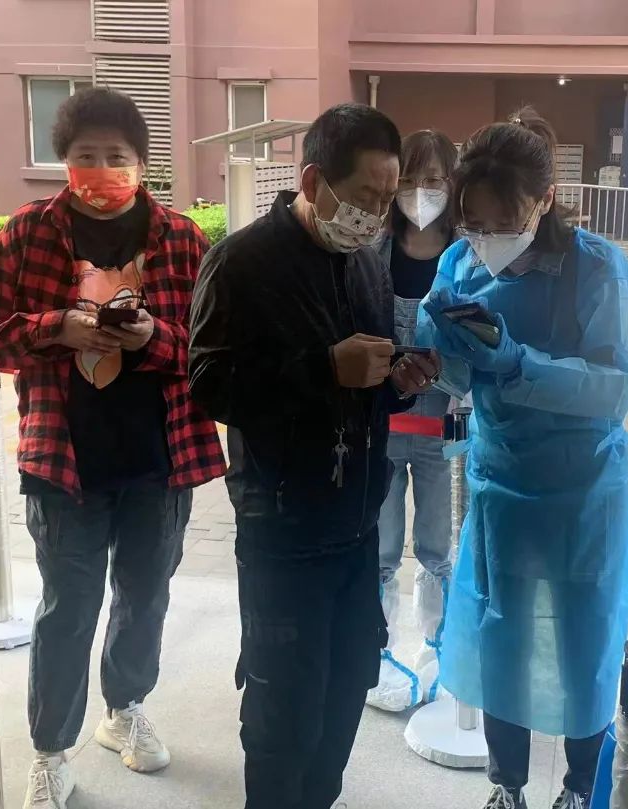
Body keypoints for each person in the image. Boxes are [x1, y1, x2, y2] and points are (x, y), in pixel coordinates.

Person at [0, 87, 226, 809]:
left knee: (145, 597)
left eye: (117, 155)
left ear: (141, 162)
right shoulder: (27, 233)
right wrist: (55, 326)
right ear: (65, 160)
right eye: (88, 155)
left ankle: (124, 708)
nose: (103, 168)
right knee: (67, 606)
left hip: (160, 459)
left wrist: (153, 338)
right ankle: (51, 749)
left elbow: (213, 349)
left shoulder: (182, 239)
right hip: (63, 460)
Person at [187, 103, 441, 809]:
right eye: (364, 197)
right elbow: (208, 383)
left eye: (387, 199)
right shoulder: (241, 262)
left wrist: (396, 383)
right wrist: (324, 368)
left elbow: (363, 382)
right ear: (311, 180)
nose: (376, 214)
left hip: (357, 527)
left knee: (345, 691)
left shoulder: (365, 264)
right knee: (284, 714)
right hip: (283, 532)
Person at [417, 107, 628, 809]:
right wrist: (437, 350)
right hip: (500, 480)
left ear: (545, 201)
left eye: (502, 223)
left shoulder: (596, 269)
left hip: (582, 489)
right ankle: (506, 785)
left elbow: (611, 389)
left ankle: (577, 786)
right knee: (501, 635)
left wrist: (518, 363)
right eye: (472, 224)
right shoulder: (460, 263)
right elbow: (458, 375)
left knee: (583, 640)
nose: (486, 242)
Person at [367, 129, 459, 712]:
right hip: (381, 427)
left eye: (433, 180)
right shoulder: (370, 250)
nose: (420, 192)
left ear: (453, 185)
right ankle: (376, 652)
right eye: (409, 180)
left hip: (442, 430)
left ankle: (439, 648)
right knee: (380, 548)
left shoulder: (467, 256)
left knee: (436, 545)